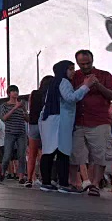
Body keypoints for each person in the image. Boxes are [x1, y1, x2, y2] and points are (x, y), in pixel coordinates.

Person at [39, 60, 95, 193]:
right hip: (60, 121)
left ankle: (46, 182)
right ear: (63, 70)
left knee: (48, 152)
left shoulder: (53, 82)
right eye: (70, 69)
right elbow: (70, 97)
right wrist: (86, 86)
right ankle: (63, 184)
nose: (73, 71)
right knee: (62, 153)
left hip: (49, 120)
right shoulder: (64, 82)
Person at [70, 50, 112, 197]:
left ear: (92, 60)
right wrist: (84, 85)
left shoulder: (104, 75)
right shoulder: (74, 76)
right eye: (82, 64)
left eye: (88, 63)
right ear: (77, 63)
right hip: (78, 121)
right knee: (76, 155)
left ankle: (95, 184)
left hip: (99, 121)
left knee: (100, 155)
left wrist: (98, 85)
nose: (85, 66)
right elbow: (68, 95)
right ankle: (76, 183)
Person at [0, 85, 29, 184]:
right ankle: (2, 174)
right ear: (9, 93)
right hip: (10, 133)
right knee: (7, 155)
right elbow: (4, 118)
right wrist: (14, 108)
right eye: (13, 91)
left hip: (21, 133)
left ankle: (21, 177)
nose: (15, 93)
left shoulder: (22, 105)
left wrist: (24, 109)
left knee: (22, 156)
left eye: (17, 91)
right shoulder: (4, 105)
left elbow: (27, 120)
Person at [26, 75, 54, 188]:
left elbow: (30, 108)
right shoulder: (51, 94)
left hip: (33, 124)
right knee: (44, 153)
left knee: (32, 154)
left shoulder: (33, 94)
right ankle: (44, 178)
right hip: (45, 124)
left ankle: (29, 179)